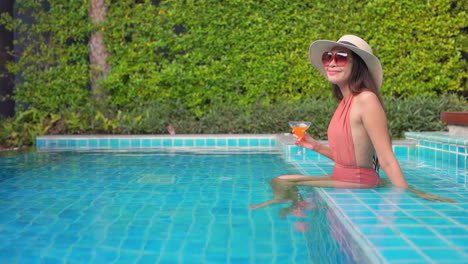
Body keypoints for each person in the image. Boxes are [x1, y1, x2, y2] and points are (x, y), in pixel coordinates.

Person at [249, 35, 455, 210]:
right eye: (328, 57)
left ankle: (291, 204)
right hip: (342, 176)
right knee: (281, 180)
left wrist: (409, 195)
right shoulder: (345, 103)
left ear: (358, 66)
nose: (331, 62)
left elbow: (386, 158)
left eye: (341, 58)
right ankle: (294, 204)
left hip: (359, 181)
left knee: (284, 184)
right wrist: (316, 146)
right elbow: (350, 158)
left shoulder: (367, 100)